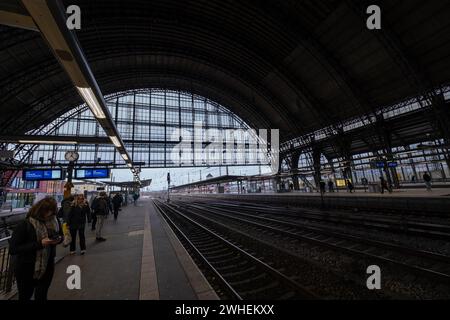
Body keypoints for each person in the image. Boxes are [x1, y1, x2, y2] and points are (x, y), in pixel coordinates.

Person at [9, 197, 63, 301]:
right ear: (40, 210)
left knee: (42, 295)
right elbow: (13, 249)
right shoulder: (25, 224)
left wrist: (59, 240)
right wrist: (40, 244)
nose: (49, 214)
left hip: (48, 265)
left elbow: (60, 235)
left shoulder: (54, 221)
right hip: (27, 268)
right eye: (47, 211)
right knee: (25, 296)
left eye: (52, 211)